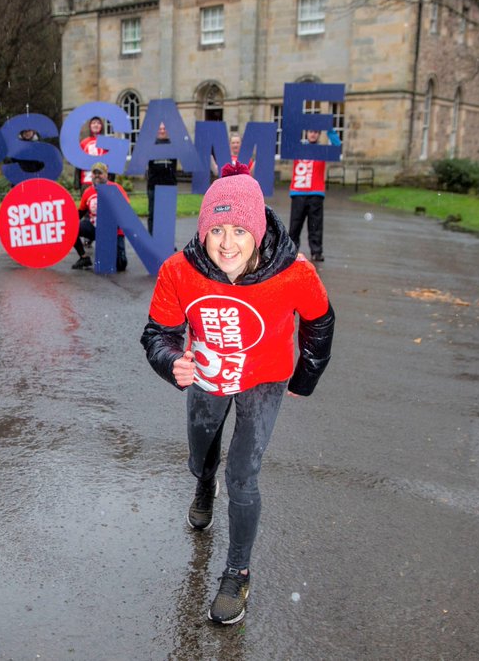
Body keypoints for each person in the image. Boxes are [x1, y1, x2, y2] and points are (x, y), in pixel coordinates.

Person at [140, 174, 335, 624]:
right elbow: (158, 333)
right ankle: (203, 484)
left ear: (258, 232)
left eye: (240, 231)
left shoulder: (293, 271)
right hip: (208, 376)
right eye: (217, 230)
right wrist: (171, 361)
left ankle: (237, 572)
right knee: (200, 456)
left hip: (264, 378)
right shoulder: (179, 270)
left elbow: (320, 321)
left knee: (243, 475)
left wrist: (305, 376)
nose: (227, 244)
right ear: (203, 230)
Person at [288, 128, 342, 261]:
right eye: (311, 131)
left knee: (315, 225)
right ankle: (291, 252)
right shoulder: (298, 148)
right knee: (295, 225)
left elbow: (337, 147)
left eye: (316, 132)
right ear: (306, 133)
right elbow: (288, 139)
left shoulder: (322, 150)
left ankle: (316, 251)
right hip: (298, 192)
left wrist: (329, 128)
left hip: (315, 193)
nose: (313, 134)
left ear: (319, 134)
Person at [71, 162, 127, 272]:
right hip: (95, 227)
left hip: (113, 230)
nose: (97, 175)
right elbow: (80, 212)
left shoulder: (116, 188)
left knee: (120, 265)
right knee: (72, 228)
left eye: (100, 173)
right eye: (94, 173)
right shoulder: (88, 192)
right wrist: (67, 222)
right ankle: (83, 257)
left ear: (106, 175)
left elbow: (125, 211)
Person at [146, 123, 178, 234]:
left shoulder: (174, 145)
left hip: (169, 185)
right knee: (153, 215)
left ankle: (166, 240)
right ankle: (152, 239)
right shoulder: (150, 145)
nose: (162, 131)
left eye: (164, 128)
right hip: (153, 185)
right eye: (160, 128)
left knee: (167, 216)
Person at [76, 116, 108, 187]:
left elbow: (110, 163)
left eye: (98, 123)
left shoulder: (106, 143)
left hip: (102, 180)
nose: (96, 125)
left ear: (101, 126)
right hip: (87, 179)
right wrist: (77, 181)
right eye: (93, 123)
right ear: (90, 126)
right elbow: (78, 163)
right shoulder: (84, 143)